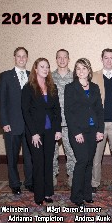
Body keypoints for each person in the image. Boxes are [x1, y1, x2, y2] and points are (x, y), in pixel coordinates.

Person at [21, 58, 62, 205]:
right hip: (35, 133)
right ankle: (39, 196)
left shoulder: (52, 87)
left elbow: (57, 110)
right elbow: (26, 112)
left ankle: (48, 193)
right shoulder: (28, 88)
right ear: (35, 69)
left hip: (50, 131)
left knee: (48, 162)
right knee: (38, 163)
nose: (45, 69)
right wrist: (34, 133)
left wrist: (58, 129)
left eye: (47, 67)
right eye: (42, 66)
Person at [64, 58, 104, 206]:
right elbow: (68, 112)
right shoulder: (70, 87)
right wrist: (76, 132)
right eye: (78, 68)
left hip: (93, 131)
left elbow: (99, 110)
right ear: (75, 71)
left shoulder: (94, 87)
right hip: (78, 132)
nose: (81, 71)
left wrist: (100, 130)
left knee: (89, 162)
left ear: (89, 70)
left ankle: (87, 193)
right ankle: (76, 196)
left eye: (84, 68)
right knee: (82, 161)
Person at [0, 47, 33, 195]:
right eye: (19, 56)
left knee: (30, 157)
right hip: (12, 125)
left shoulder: (32, 76)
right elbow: (1, 101)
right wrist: (4, 123)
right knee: (12, 157)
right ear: (14, 57)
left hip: (30, 126)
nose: (21, 59)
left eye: (24, 56)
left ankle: (30, 182)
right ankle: (15, 184)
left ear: (27, 58)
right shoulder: (5, 76)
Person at [91, 48, 112, 193]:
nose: (109, 60)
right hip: (99, 123)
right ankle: (94, 183)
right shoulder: (93, 76)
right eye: (106, 58)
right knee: (96, 156)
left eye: (111, 58)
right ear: (102, 59)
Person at [52, 49, 75, 187]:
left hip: (69, 123)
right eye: (59, 57)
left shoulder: (74, 77)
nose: (62, 60)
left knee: (71, 151)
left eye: (64, 57)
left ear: (68, 59)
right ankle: (52, 175)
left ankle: (72, 176)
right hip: (53, 122)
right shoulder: (49, 77)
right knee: (51, 152)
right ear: (56, 59)